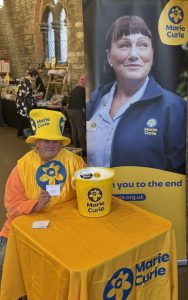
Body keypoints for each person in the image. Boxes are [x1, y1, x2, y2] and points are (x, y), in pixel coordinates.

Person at [86, 15, 186, 174]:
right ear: (109, 57)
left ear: (151, 54)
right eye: (124, 45)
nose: (134, 54)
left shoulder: (174, 108)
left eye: (142, 45)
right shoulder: (95, 101)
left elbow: (180, 178)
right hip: (95, 197)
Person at [0, 108, 86, 282]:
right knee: (6, 269)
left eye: (56, 141)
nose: (51, 145)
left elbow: (86, 190)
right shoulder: (22, 167)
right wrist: (35, 205)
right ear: (36, 143)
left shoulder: (75, 162)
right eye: (46, 140)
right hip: (25, 224)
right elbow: (11, 204)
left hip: (65, 225)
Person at [67, 75, 86, 156]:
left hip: (69, 110)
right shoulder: (83, 90)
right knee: (81, 130)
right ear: (83, 80)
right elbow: (86, 103)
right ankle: (84, 149)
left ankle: (75, 147)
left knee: (74, 129)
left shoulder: (74, 89)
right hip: (77, 111)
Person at [16, 74, 35, 139]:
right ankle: (24, 134)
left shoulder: (23, 81)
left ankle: (20, 133)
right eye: (35, 77)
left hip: (21, 104)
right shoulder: (27, 82)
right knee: (24, 119)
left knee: (22, 119)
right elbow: (27, 94)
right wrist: (33, 96)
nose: (34, 79)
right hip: (24, 104)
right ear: (32, 76)